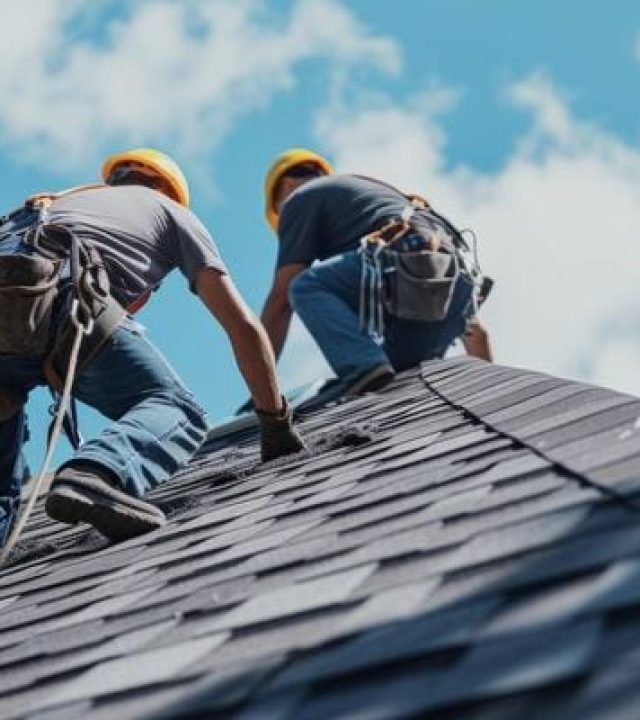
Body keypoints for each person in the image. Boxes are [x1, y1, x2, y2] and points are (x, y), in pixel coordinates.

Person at [0, 148, 303, 548]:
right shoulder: (169, 210)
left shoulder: (48, 206)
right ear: (164, 185)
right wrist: (275, 423)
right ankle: (95, 474)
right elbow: (241, 324)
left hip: (21, 306)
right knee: (177, 409)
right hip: (62, 301)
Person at [260, 148, 493, 394]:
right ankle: (373, 375)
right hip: (458, 288)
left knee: (306, 286)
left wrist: (261, 386)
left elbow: (281, 301)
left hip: (402, 266)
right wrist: (490, 393)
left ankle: (363, 368)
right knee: (397, 383)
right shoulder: (375, 202)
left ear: (286, 186)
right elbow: (477, 333)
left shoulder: (300, 197)